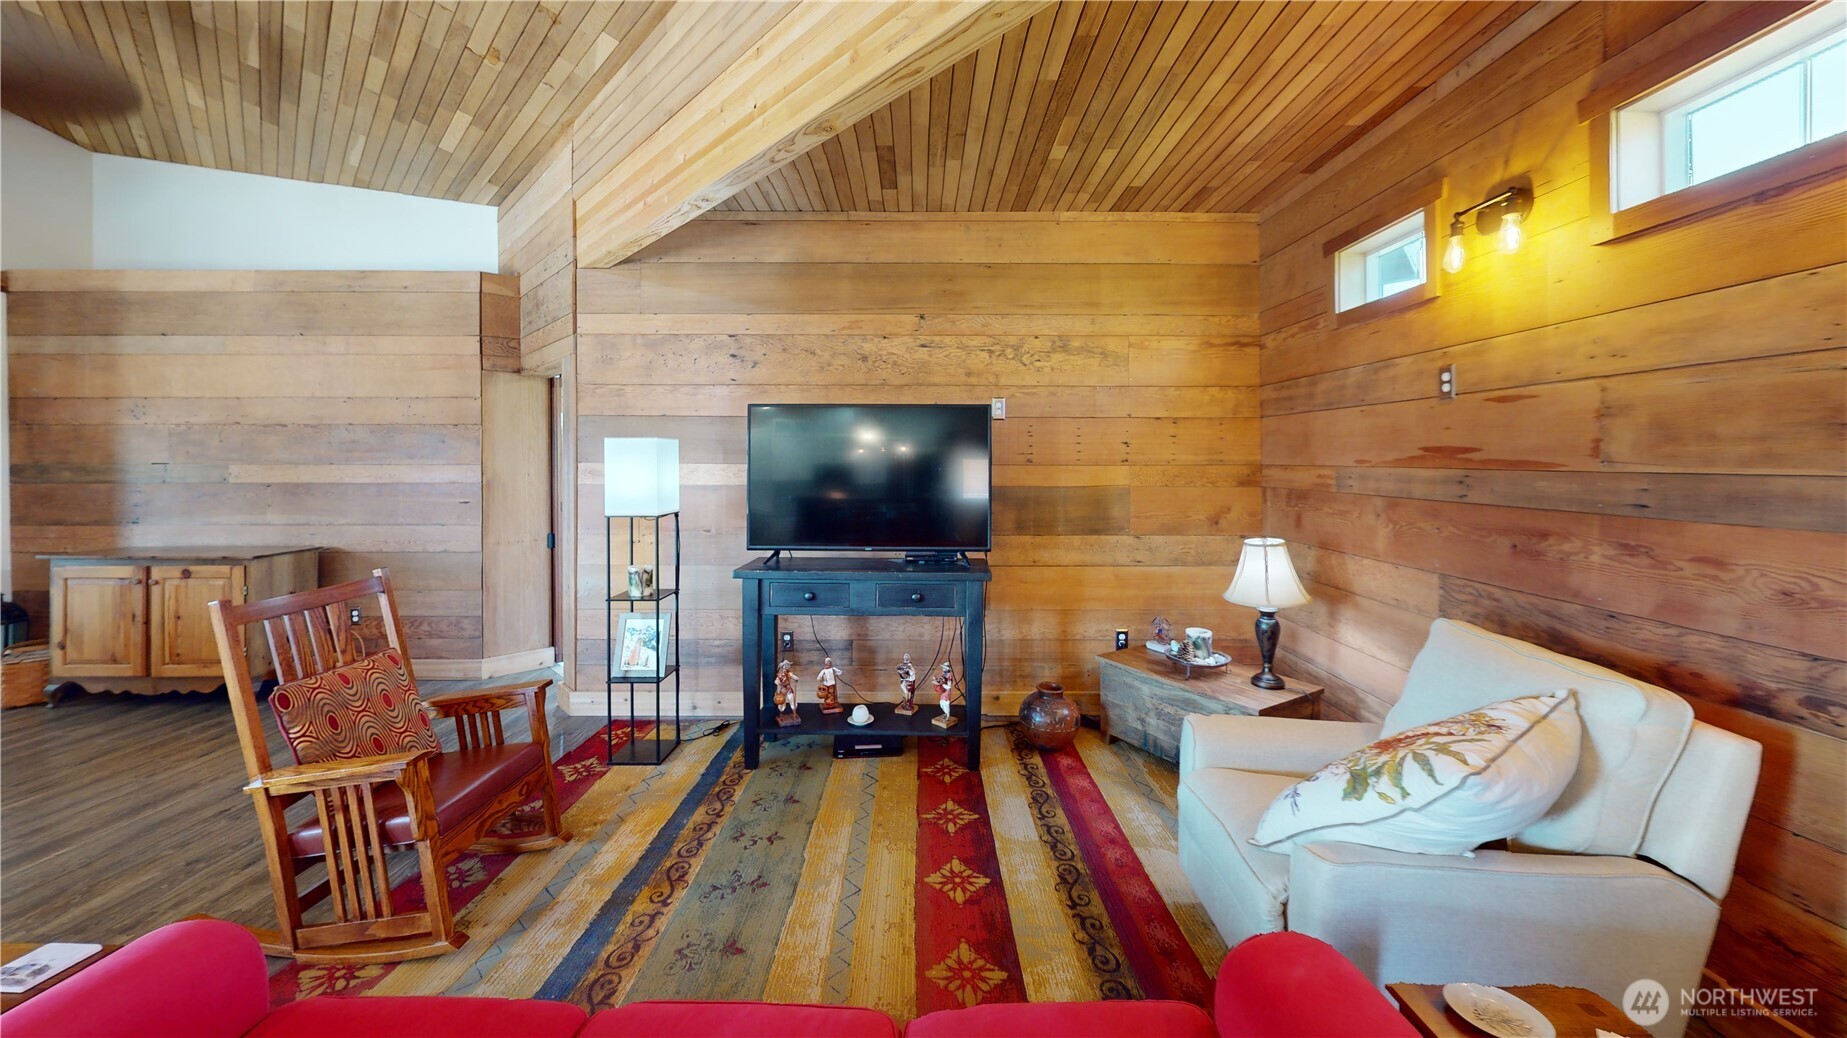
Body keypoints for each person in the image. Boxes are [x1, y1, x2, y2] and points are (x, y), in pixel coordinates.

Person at [773, 659, 801, 727]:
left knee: (792, 701)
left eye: (787, 666)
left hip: (789, 690)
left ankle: (794, 714)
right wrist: (779, 689)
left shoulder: (789, 674)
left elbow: (796, 678)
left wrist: (796, 679)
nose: (785, 668)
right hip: (782, 691)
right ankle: (781, 715)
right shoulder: (780, 675)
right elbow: (776, 682)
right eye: (785, 666)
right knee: (781, 703)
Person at [932, 662, 956, 727]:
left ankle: (947, 715)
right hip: (943, 690)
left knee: (945, 703)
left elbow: (949, 686)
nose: (943, 669)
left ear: (947, 668)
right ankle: (946, 713)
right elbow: (941, 680)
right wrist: (937, 680)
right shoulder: (944, 674)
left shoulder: (949, 676)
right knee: (941, 703)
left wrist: (942, 684)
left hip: (946, 691)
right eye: (943, 668)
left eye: (945, 668)